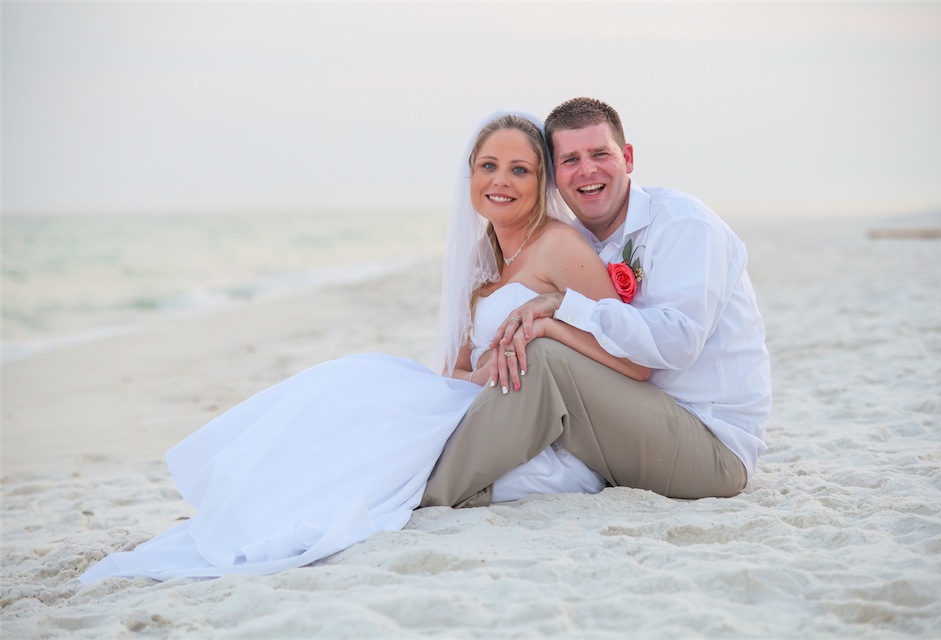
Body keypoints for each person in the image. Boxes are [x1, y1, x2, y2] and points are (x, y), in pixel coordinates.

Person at [78, 109, 650, 583]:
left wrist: (546, 329)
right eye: (488, 166)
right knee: (348, 387)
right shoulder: (483, 256)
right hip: (476, 403)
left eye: (520, 169)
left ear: (542, 181)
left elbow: (628, 357)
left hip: (539, 434)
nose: (501, 180)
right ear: (469, 175)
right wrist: (469, 380)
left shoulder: (559, 246)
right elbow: (457, 365)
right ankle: (257, 505)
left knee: (364, 400)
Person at [420, 97, 772, 508]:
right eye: (570, 160)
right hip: (624, 420)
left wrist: (558, 310)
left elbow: (677, 343)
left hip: (710, 443)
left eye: (600, 154)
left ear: (628, 157)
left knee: (544, 354)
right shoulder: (579, 241)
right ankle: (424, 470)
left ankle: (432, 492)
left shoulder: (682, 224)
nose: (587, 170)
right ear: (555, 177)